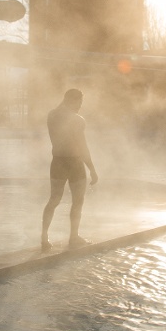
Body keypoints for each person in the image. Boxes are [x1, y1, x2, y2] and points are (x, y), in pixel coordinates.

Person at [41, 88, 98, 250]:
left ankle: (44, 237)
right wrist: (92, 169)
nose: (80, 106)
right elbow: (83, 146)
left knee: (54, 199)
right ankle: (73, 237)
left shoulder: (51, 116)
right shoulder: (78, 120)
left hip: (58, 161)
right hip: (74, 163)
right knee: (78, 201)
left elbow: (60, 113)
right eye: (79, 102)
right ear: (73, 100)